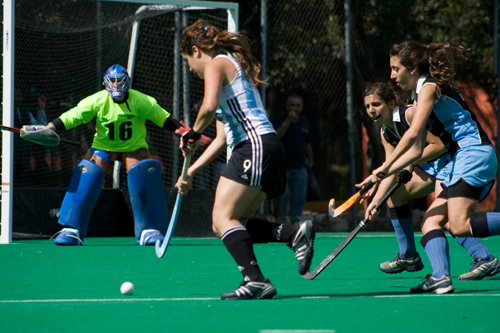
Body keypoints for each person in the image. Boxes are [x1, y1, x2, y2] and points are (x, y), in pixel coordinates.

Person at [175, 19, 315, 300]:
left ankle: (255, 280)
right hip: (260, 148)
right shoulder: (226, 72)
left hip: (255, 145)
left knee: (221, 217)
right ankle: (291, 233)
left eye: (188, 61)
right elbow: (220, 139)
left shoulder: (218, 63)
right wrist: (190, 171)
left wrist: (192, 133)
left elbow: (208, 107)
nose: (190, 69)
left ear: (196, 50)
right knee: (228, 222)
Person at [358, 41, 500, 294]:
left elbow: (413, 134)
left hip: (473, 154)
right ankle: (440, 277)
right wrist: (385, 171)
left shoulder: (429, 87)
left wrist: (387, 165)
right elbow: (414, 151)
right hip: (462, 160)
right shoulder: (418, 93)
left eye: (395, 68)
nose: (392, 75)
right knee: (430, 222)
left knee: (458, 225)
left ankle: (478, 260)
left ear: (411, 68)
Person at [46, 64, 186, 246]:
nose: (116, 85)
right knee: (87, 170)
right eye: (113, 81)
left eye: (120, 81)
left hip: (133, 147)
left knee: (141, 170)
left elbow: (162, 117)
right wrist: (50, 127)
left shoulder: (141, 101)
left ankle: (149, 229)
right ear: (106, 83)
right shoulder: (97, 100)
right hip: (104, 147)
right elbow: (75, 116)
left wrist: (184, 132)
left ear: (127, 82)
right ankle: (72, 229)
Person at [272, 94, 314, 217]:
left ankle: (295, 224)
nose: (294, 108)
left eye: (297, 105)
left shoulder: (304, 122)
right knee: (282, 197)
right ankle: (280, 223)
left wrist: (311, 160)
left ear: (301, 107)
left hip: (300, 166)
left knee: (299, 198)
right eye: (292, 105)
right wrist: (288, 121)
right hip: (282, 167)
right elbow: (276, 137)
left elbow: (308, 143)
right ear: (286, 106)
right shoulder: (279, 120)